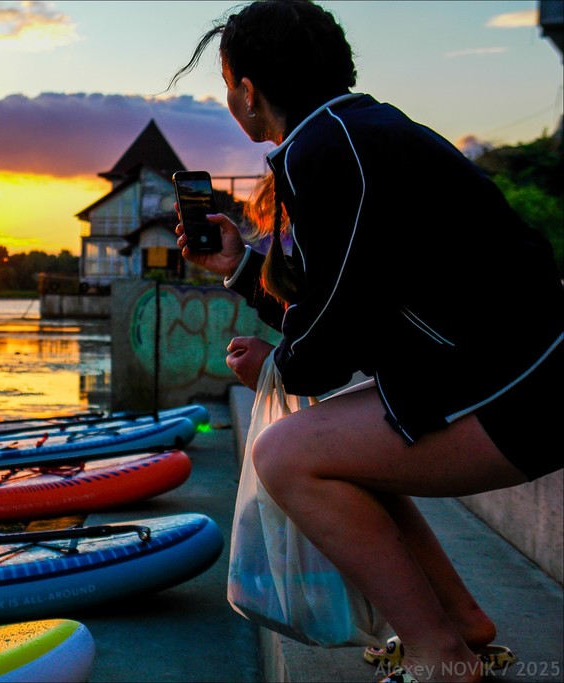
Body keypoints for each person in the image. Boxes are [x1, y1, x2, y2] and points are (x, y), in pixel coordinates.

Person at [169, 2, 564, 682]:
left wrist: (281, 364)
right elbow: (342, 298)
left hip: (515, 390)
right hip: (509, 375)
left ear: (248, 91)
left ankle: (442, 658)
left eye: (227, 84)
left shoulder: (329, 150)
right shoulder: (359, 132)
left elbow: (332, 332)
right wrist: (239, 268)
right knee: (326, 444)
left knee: (286, 454)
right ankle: (459, 621)